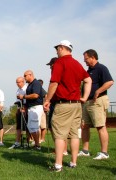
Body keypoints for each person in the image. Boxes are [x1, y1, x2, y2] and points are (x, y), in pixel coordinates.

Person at [44, 40, 91, 172]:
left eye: (57, 49)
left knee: (59, 134)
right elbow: (88, 80)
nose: (56, 51)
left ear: (61, 48)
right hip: (76, 105)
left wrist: (47, 99)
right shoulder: (77, 63)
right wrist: (85, 97)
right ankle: (73, 162)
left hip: (63, 104)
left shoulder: (60, 62)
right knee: (74, 134)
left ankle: (58, 165)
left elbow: (54, 83)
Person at [78, 49, 114, 160]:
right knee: (84, 126)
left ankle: (104, 152)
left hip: (97, 101)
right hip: (87, 102)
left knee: (100, 126)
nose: (85, 62)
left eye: (86, 59)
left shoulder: (101, 68)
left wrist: (98, 91)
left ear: (93, 57)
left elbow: (109, 82)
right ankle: (85, 150)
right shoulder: (88, 71)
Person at [46, 57, 69, 156]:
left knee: (60, 128)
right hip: (53, 103)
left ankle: (64, 150)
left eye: (51, 65)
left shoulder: (60, 73)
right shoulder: (53, 74)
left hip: (59, 103)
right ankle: (58, 148)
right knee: (52, 127)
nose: (50, 67)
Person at [23, 70, 44, 150]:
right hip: (31, 107)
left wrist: (24, 97)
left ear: (30, 75)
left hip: (36, 107)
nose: (24, 78)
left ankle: (37, 145)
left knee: (33, 127)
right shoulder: (30, 85)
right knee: (31, 126)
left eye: (25, 76)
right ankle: (36, 144)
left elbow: (35, 95)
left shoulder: (36, 83)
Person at [9, 76, 28, 149]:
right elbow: (18, 101)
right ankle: (17, 142)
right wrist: (18, 108)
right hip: (19, 109)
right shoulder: (18, 90)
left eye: (19, 82)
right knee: (18, 126)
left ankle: (27, 142)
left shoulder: (26, 89)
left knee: (26, 127)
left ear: (23, 82)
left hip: (25, 109)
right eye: (16, 82)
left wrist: (24, 108)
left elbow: (27, 100)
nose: (17, 84)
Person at [38, 79, 47, 144]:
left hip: (41, 108)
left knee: (42, 125)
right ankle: (39, 139)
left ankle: (42, 139)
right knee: (38, 125)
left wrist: (45, 105)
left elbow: (46, 96)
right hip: (38, 108)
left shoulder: (41, 89)